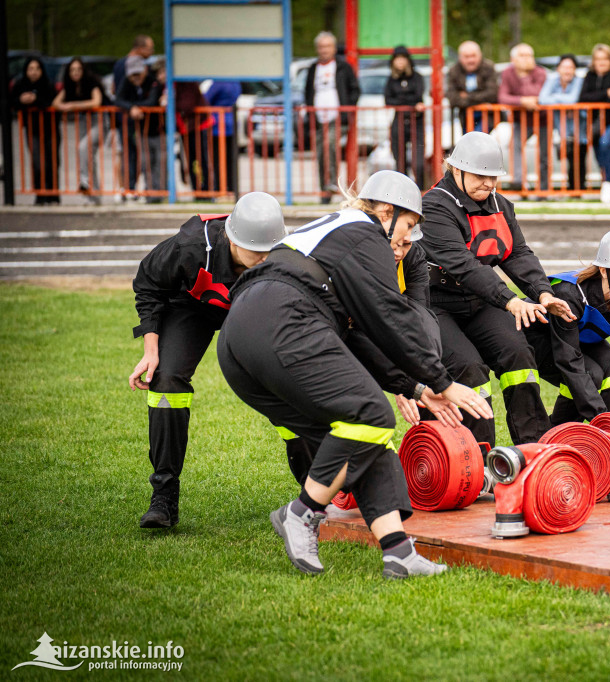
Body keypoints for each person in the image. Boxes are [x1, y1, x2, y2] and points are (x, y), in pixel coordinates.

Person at [217, 171, 490, 578]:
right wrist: (442, 381)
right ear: (386, 211)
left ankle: (397, 551)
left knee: (364, 437)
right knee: (370, 413)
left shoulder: (338, 234)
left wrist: (414, 387)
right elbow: (389, 318)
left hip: (242, 337)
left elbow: (359, 333)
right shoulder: (366, 235)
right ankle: (303, 513)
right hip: (282, 318)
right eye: (409, 226)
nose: (408, 241)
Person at [129, 192, 289, 529]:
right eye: (254, 252)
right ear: (232, 237)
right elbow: (148, 283)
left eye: (267, 252)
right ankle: (164, 497)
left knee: (286, 384)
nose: (262, 260)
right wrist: (151, 349)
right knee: (167, 380)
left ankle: (317, 491)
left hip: (249, 311)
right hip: (191, 309)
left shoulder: (283, 254)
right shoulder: (190, 245)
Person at [420, 132, 575, 448]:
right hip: (436, 303)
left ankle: (533, 450)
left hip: (480, 299)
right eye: (481, 176)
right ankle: (476, 458)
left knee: (518, 355)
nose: (489, 184)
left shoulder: (501, 205)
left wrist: (543, 293)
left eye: (494, 177)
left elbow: (517, 253)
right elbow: (463, 265)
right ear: (456, 170)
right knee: (469, 368)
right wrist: (510, 301)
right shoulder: (433, 207)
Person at [525, 229, 610, 433]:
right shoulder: (569, 294)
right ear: (603, 270)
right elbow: (569, 361)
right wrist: (601, 419)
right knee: (590, 374)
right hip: (535, 338)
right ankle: (558, 434)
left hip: (577, 339)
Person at [304, 31, 360, 204]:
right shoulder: (313, 68)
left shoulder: (343, 67)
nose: (324, 50)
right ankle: (324, 190)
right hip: (318, 118)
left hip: (338, 117)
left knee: (330, 147)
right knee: (321, 153)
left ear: (334, 48)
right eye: (321, 47)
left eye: (327, 46)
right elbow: (308, 91)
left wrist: (346, 110)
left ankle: (331, 183)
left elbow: (355, 89)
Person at [53, 57, 107, 203]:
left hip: (100, 120)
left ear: (83, 70)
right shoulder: (70, 86)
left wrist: (73, 105)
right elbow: (56, 103)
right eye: (72, 70)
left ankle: (85, 181)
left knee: (83, 147)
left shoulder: (92, 82)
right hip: (84, 121)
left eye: (78, 69)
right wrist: (65, 106)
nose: (75, 73)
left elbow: (96, 101)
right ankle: (95, 196)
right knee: (89, 157)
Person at [579, 44, 610, 204]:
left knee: (605, 142)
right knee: (599, 150)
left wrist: (599, 97)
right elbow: (583, 97)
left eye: (605, 59)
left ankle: (609, 182)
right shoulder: (590, 75)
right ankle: (607, 183)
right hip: (595, 124)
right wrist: (606, 93)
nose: (601, 62)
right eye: (598, 59)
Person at [499, 43, 549, 192]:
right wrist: (522, 101)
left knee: (544, 154)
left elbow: (539, 94)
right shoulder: (507, 73)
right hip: (520, 119)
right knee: (514, 145)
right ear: (513, 59)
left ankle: (544, 188)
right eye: (522, 55)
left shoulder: (540, 72)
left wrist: (525, 78)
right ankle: (520, 182)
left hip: (543, 119)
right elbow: (503, 97)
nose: (527, 59)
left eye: (529, 56)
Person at [11, 57, 60, 204]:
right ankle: (40, 194)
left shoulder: (48, 85)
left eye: (37, 69)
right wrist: (21, 100)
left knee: (52, 162)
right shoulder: (20, 85)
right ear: (26, 71)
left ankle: (53, 195)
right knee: (38, 163)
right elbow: (12, 103)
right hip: (33, 130)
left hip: (50, 129)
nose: (34, 72)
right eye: (30, 69)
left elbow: (52, 103)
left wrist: (36, 99)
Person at [115, 56, 163, 202]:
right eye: (132, 75)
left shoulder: (153, 81)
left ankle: (153, 192)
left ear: (144, 71)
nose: (135, 78)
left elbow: (152, 100)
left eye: (138, 74)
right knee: (131, 158)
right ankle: (130, 188)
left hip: (152, 128)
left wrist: (136, 106)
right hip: (134, 127)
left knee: (149, 161)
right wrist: (132, 108)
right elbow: (118, 99)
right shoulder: (126, 81)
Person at [538, 54, 585, 193]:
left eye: (571, 67)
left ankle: (577, 190)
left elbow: (573, 99)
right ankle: (570, 189)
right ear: (558, 69)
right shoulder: (552, 80)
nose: (567, 71)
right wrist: (563, 103)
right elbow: (542, 99)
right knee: (566, 157)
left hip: (580, 127)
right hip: (560, 128)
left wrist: (556, 100)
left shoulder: (579, 81)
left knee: (578, 159)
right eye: (564, 67)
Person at [385, 45, 427, 189]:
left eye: (403, 58)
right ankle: (402, 193)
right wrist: (411, 102)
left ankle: (421, 192)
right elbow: (388, 100)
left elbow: (418, 96)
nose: (400, 62)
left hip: (417, 121)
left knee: (418, 163)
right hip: (399, 121)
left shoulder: (417, 77)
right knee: (400, 162)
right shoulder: (391, 79)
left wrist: (403, 100)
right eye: (397, 59)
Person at [447, 40, 499, 133]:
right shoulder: (454, 71)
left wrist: (466, 96)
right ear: (460, 57)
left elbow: (492, 94)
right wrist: (480, 100)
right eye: (467, 57)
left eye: (473, 56)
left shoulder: (488, 67)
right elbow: (452, 97)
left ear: (480, 55)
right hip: (465, 116)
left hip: (487, 115)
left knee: (477, 140)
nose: (471, 60)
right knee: (469, 143)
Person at [203, 80, 242, 196]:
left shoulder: (218, 83)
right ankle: (231, 187)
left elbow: (206, 99)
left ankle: (220, 188)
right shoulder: (235, 83)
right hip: (232, 123)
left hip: (217, 126)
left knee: (217, 159)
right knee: (231, 159)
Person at [175, 81, 213, 200]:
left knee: (200, 161)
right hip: (186, 129)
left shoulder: (187, 83)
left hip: (198, 127)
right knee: (192, 162)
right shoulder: (174, 85)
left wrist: (169, 103)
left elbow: (187, 105)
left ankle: (205, 191)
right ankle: (198, 191)